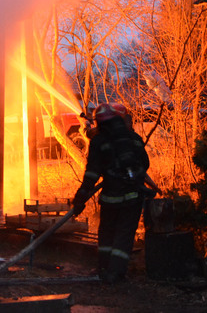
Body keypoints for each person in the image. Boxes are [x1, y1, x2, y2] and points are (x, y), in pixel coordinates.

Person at [72, 102, 152, 284]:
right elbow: (145, 163)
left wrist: (80, 198)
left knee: (107, 234)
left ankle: (103, 269)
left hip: (110, 199)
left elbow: (92, 174)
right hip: (133, 197)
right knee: (124, 236)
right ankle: (116, 273)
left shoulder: (99, 141)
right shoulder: (133, 138)